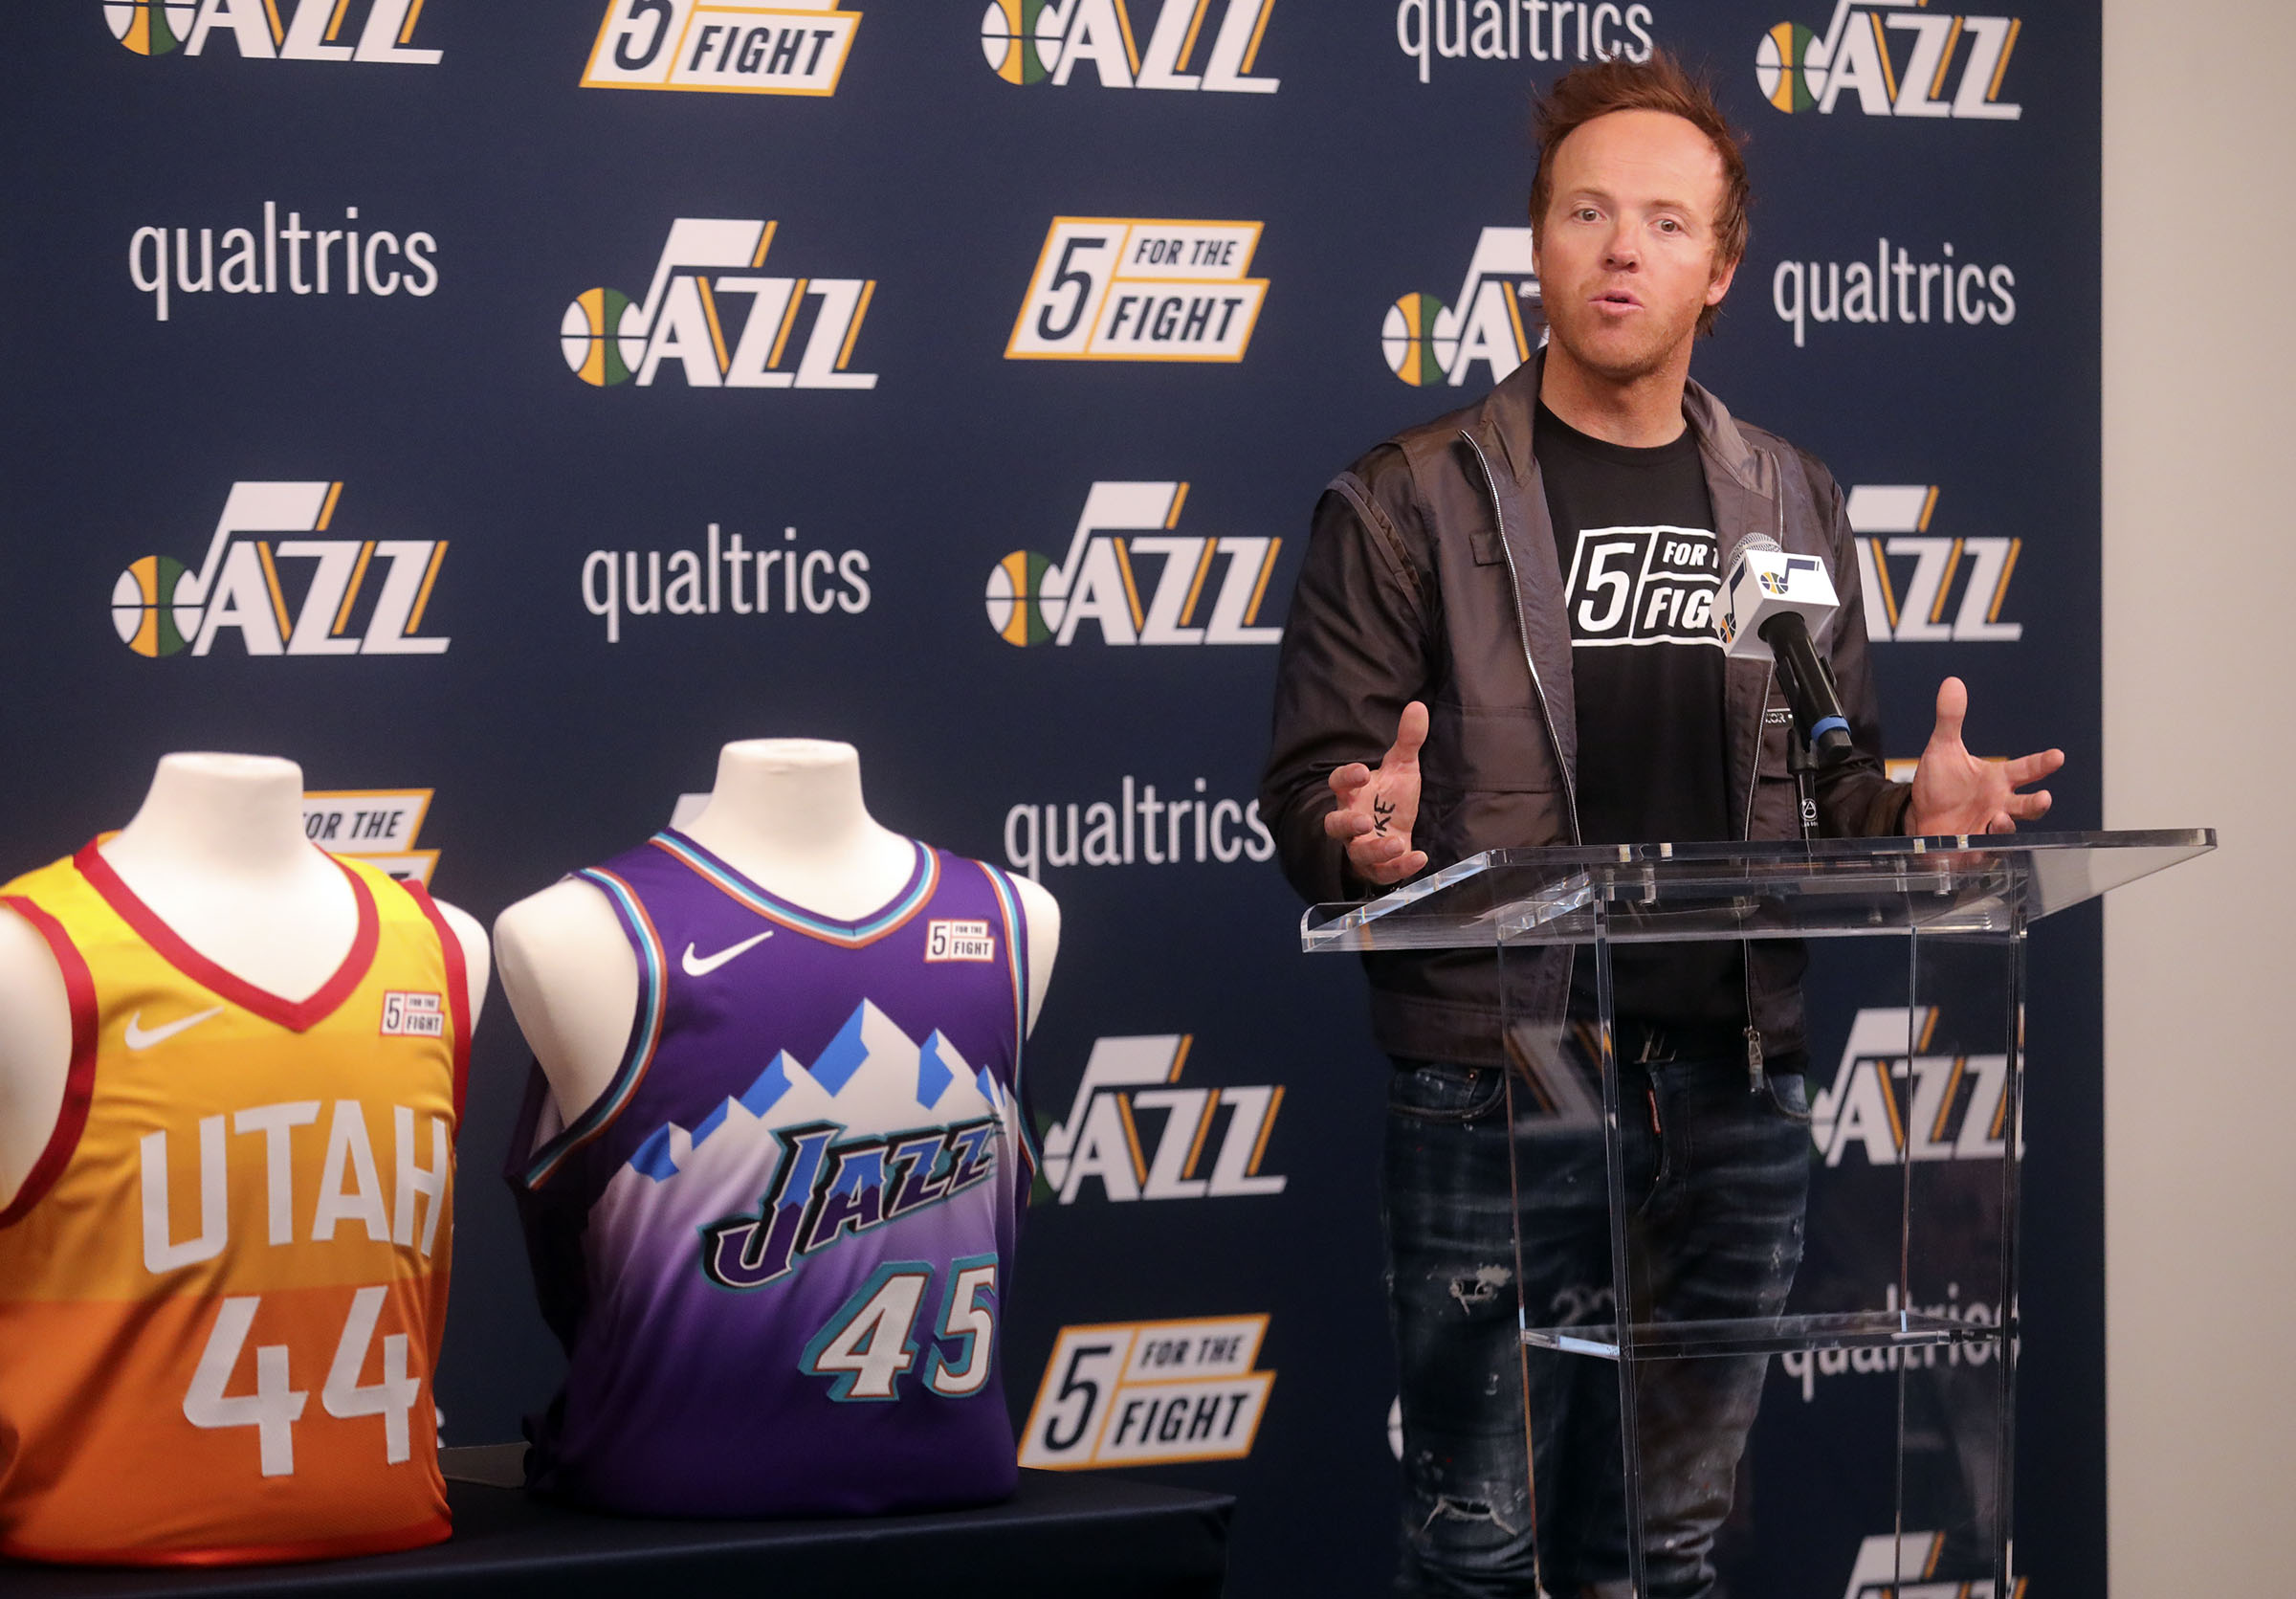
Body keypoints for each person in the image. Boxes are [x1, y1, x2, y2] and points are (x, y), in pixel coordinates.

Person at [1258, 52, 2063, 1599]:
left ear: (1721, 269)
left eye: (1666, 223)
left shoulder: (1786, 498)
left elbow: (1831, 783)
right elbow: (1319, 796)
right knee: (1478, 1548)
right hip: (1496, 1089)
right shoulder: (1408, 501)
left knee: (1667, 1553)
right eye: (1588, 212)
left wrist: (1909, 806)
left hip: (1734, 1096)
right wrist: (1360, 825)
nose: (1623, 247)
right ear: (1540, 244)